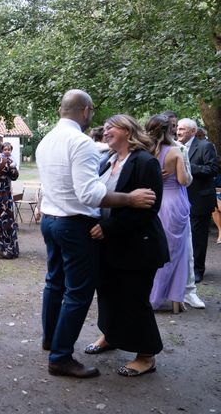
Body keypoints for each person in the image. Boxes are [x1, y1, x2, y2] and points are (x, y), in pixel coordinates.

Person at [35, 89, 156, 379]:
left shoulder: (46, 140)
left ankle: (51, 339)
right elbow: (89, 194)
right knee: (78, 292)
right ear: (86, 111)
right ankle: (61, 356)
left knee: (54, 283)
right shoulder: (80, 142)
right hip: (73, 224)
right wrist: (129, 198)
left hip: (50, 219)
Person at [84, 114, 168, 377]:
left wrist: (106, 227)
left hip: (138, 246)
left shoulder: (145, 162)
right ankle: (111, 336)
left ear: (128, 130)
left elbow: (149, 208)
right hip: (109, 245)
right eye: (105, 128)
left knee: (134, 298)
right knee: (108, 293)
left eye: (111, 127)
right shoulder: (107, 161)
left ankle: (146, 355)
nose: (105, 131)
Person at [144, 115, 192, 312]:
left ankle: (152, 295)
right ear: (168, 130)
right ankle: (174, 298)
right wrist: (187, 173)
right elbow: (183, 180)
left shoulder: (145, 152)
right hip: (175, 203)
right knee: (177, 253)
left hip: (155, 202)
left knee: (156, 250)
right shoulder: (175, 152)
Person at [162, 111, 205, 309]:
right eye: (173, 126)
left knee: (184, 247)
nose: (175, 130)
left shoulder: (180, 149)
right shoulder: (149, 149)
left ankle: (188, 291)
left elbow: (186, 181)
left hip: (178, 200)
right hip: (156, 202)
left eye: (177, 126)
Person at [177, 118, 219, 283]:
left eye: (182, 129)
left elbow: (212, 169)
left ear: (193, 131)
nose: (178, 132)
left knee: (198, 237)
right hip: (180, 199)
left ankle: (198, 270)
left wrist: (188, 167)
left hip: (200, 199)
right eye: (178, 129)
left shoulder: (205, 146)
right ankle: (183, 268)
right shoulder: (175, 147)